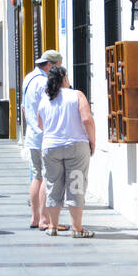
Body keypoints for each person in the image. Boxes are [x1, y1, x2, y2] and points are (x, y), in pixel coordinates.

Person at [37, 65, 96, 238]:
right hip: (76, 146)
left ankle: (52, 226)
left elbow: (41, 125)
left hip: (50, 147)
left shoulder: (44, 99)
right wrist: (92, 140)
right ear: (64, 78)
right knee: (76, 185)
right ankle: (77, 229)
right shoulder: (76, 95)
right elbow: (87, 119)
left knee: (53, 185)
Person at [21, 50, 63, 231]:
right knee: (48, 177)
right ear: (50, 65)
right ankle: (45, 219)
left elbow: (24, 107)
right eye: (58, 67)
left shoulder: (28, 78)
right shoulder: (45, 82)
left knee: (36, 176)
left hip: (32, 135)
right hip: (45, 135)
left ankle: (34, 217)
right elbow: (51, 107)